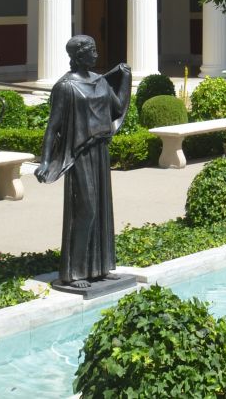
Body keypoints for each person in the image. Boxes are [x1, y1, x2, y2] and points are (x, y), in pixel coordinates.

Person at [34, 35, 131, 289]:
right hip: (79, 155)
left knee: (101, 209)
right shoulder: (65, 87)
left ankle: (100, 268)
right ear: (78, 56)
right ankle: (74, 273)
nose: (96, 55)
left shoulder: (100, 82)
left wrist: (126, 79)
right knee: (85, 209)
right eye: (91, 51)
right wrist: (45, 161)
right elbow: (52, 127)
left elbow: (118, 108)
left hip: (100, 151)